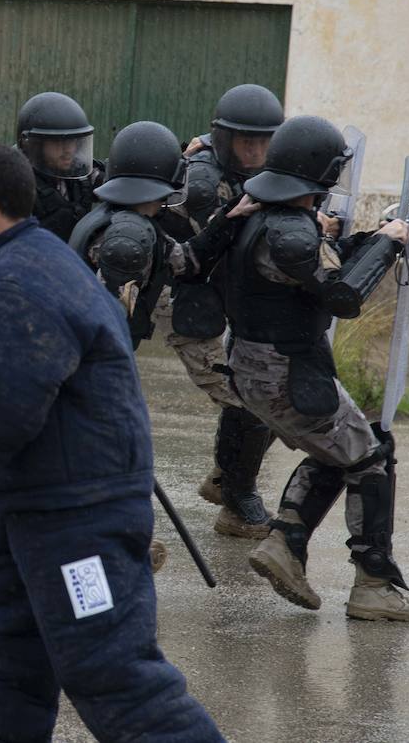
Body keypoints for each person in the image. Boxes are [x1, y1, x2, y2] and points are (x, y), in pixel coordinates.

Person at [0, 143, 223, 741]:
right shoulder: (35, 259)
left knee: (113, 672)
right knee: (1, 647)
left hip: (80, 512)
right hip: (36, 501)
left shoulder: (16, 280)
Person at [220, 115, 409, 621]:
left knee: (342, 446)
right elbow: (342, 295)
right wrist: (391, 244)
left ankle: (286, 543)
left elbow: (326, 262)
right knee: (373, 452)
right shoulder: (290, 230)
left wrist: (372, 236)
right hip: (284, 374)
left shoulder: (262, 217)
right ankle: (374, 585)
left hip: (258, 371)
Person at [69, 122, 264, 546]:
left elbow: (186, 262)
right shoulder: (129, 237)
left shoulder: (133, 221)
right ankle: (117, 539)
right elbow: (101, 314)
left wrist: (229, 219)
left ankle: (116, 536)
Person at [157, 84, 284, 533]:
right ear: (225, 139)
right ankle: (236, 496)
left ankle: (226, 477)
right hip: (183, 293)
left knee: (275, 389)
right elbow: (210, 237)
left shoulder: (271, 174)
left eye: (262, 142)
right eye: (245, 142)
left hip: (234, 295)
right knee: (247, 397)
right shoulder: (202, 181)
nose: (254, 152)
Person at [0, 91, 103, 278]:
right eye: (58, 143)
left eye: (72, 142)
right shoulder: (10, 183)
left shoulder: (81, 177)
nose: (68, 150)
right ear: (31, 144)